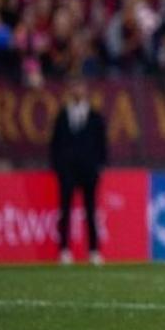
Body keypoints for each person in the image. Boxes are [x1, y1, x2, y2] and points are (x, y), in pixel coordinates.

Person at [50, 76, 109, 265]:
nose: (77, 91)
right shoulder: (62, 116)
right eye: (74, 87)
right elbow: (55, 145)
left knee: (91, 211)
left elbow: (102, 145)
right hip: (67, 171)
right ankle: (64, 250)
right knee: (65, 211)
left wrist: (99, 167)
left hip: (89, 170)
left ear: (85, 90)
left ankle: (93, 251)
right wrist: (58, 167)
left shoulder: (95, 116)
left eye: (80, 87)